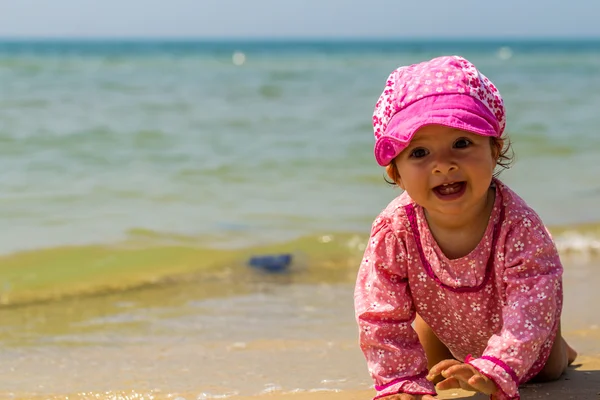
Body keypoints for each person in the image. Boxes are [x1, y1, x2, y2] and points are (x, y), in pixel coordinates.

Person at [354, 55, 577, 400]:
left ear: (494, 149)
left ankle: (561, 346)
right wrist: (399, 379)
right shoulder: (394, 229)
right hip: (445, 323)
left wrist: (498, 366)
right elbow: (380, 311)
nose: (443, 165)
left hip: (522, 330)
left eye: (461, 143)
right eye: (419, 152)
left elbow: (533, 301)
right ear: (395, 173)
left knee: (547, 370)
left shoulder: (518, 225)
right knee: (431, 368)